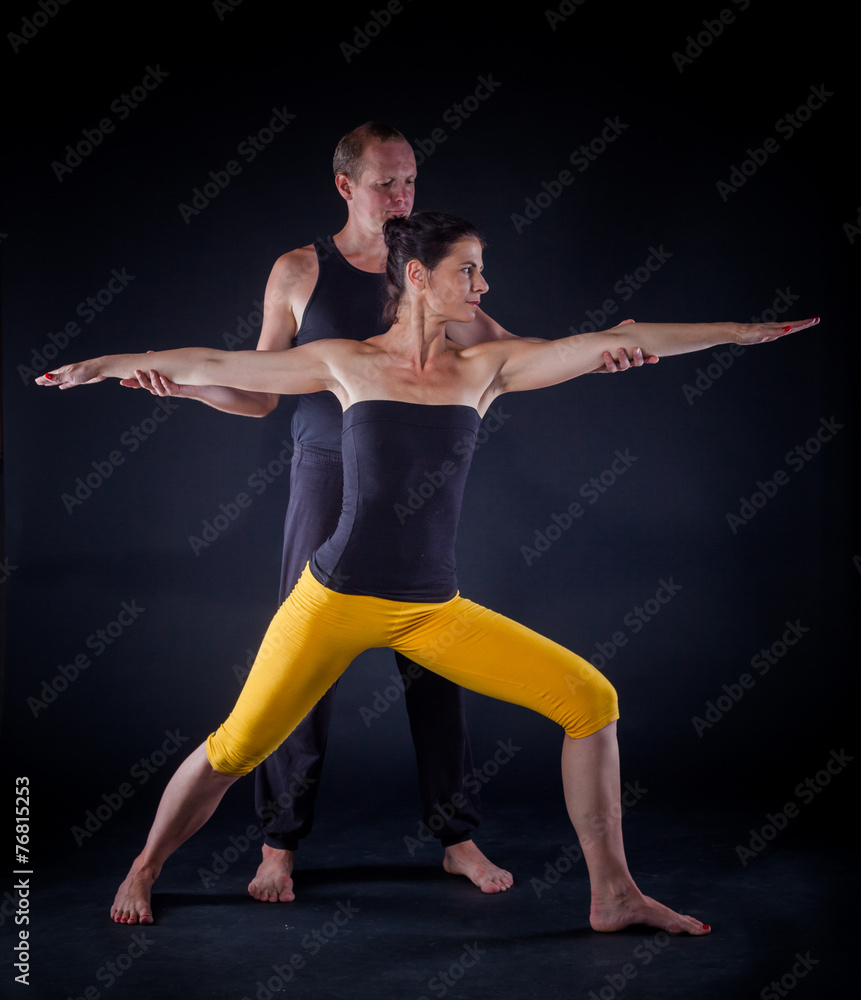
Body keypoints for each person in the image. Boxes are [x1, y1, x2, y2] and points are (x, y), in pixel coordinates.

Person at [38, 210, 816, 932]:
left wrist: (734, 333)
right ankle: (142, 869)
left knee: (591, 700)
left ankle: (613, 894)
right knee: (233, 751)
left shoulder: (487, 367)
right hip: (331, 601)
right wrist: (110, 365)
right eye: (469, 272)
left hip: (430, 609)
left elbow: (618, 338)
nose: (482, 287)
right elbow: (215, 361)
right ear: (418, 278)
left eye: (480, 273)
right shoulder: (342, 363)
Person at [119, 122, 655, 903]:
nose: (402, 195)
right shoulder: (301, 270)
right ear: (345, 186)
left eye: (410, 181)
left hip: (412, 470)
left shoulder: (434, 272)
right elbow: (263, 389)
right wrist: (190, 387)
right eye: (385, 183)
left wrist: (602, 344)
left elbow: (510, 349)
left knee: (435, 660)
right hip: (326, 471)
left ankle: (456, 835)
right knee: (300, 674)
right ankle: (278, 843)